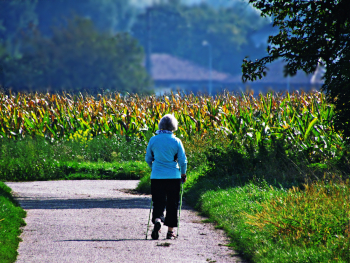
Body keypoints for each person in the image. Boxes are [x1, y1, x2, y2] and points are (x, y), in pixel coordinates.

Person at [145, 114, 187, 240]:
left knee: (158, 201)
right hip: (173, 176)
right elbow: (183, 161)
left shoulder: (153, 140)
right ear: (174, 126)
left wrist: (154, 168)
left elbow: (148, 158)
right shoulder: (176, 141)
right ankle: (170, 232)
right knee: (172, 203)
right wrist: (183, 174)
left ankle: (158, 219)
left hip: (157, 176)